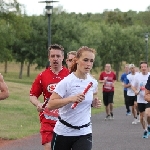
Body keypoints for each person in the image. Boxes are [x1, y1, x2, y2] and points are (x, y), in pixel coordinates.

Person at [47, 46, 101, 150]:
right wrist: (71, 99)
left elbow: (89, 99)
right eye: (85, 60)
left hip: (84, 132)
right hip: (63, 132)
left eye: (91, 61)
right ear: (77, 60)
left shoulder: (93, 82)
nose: (88, 64)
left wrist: (93, 103)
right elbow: (50, 104)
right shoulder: (67, 82)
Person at [29, 44, 70, 150]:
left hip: (66, 119)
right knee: (48, 147)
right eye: (52, 56)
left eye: (58, 56)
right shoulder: (42, 76)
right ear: (49, 58)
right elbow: (32, 95)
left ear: (62, 57)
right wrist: (38, 104)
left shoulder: (70, 76)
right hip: (48, 119)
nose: (55, 59)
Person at [132, 61, 150, 138]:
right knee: (142, 117)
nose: (143, 68)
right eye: (142, 67)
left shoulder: (149, 76)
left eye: (145, 67)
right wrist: (135, 91)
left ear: (147, 67)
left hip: (148, 99)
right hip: (140, 99)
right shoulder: (137, 77)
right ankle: (145, 130)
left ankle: (149, 125)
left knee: (148, 114)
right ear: (140, 68)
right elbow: (133, 86)